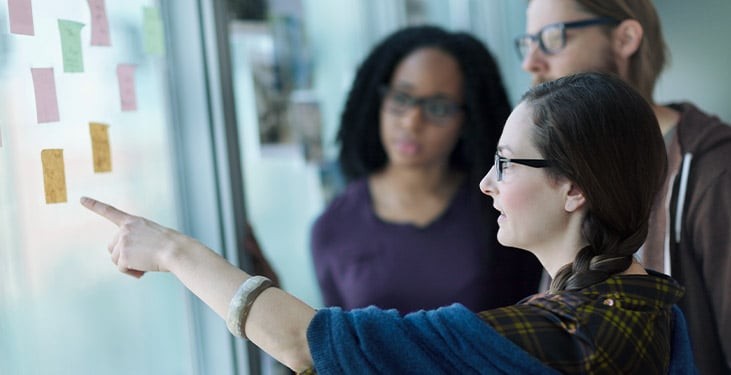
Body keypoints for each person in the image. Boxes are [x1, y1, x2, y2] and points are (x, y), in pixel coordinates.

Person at [82, 72, 696, 374]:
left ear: (576, 188)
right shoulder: (652, 308)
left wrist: (171, 250)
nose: (488, 182)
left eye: (506, 164)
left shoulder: (562, 335)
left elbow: (309, 343)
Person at [515, 1, 731, 373]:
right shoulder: (565, 168)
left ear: (626, 38)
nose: (530, 62)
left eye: (553, 38)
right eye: (528, 42)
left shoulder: (714, 170)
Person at [311, 25, 541, 313]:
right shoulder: (333, 227)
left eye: (439, 107)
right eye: (401, 99)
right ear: (377, 100)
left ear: (467, 120)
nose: (412, 122)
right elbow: (337, 347)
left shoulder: (501, 208)